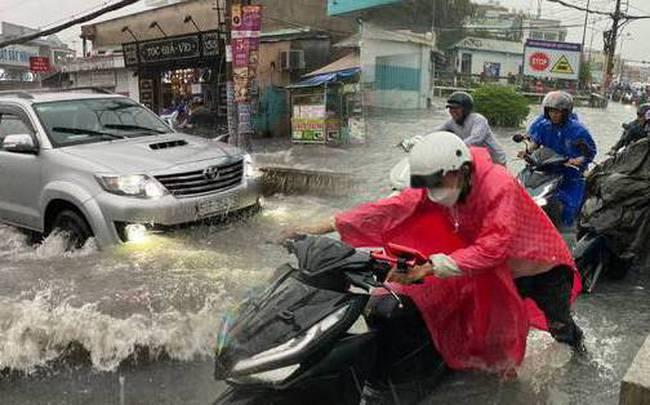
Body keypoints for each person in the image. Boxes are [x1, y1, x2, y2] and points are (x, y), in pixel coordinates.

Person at [287, 133, 584, 401]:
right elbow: (393, 208)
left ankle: (581, 353)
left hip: (538, 265)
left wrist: (428, 268)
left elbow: (493, 247)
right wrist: (328, 224)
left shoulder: (499, 186)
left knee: (558, 325)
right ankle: (496, 375)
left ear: (464, 172)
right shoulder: (440, 179)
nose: (435, 191)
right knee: (495, 321)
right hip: (500, 268)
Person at [523, 90, 597, 228]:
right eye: (551, 111)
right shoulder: (543, 126)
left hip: (571, 174)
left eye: (557, 112)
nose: (554, 115)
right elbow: (535, 142)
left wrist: (577, 160)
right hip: (548, 171)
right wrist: (527, 151)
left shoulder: (579, 131)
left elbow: (590, 153)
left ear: (566, 112)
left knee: (569, 207)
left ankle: (566, 231)